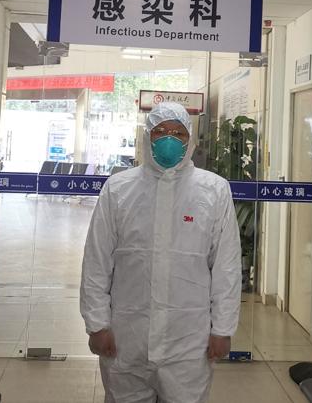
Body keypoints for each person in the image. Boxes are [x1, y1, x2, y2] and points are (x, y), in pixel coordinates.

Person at [80, 102, 241, 403]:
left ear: (190, 139)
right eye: (160, 131)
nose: (169, 139)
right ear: (147, 137)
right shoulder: (118, 189)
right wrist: (97, 324)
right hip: (127, 336)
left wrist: (223, 328)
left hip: (188, 340)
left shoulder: (214, 190)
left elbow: (226, 267)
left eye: (178, 133)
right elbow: (96, 262)